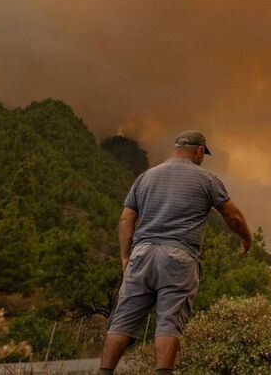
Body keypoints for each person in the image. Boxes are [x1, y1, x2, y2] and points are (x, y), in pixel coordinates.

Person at [100, 131, 252, 375]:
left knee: (121, 323)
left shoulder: (145, 177)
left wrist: (125, 256)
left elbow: (126, 219)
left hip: (142, 254)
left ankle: (104, 371)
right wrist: (247, 238)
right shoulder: (207, 180)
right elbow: (232, 215)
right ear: (200, 151)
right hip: (178, 257)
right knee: (168, 324)